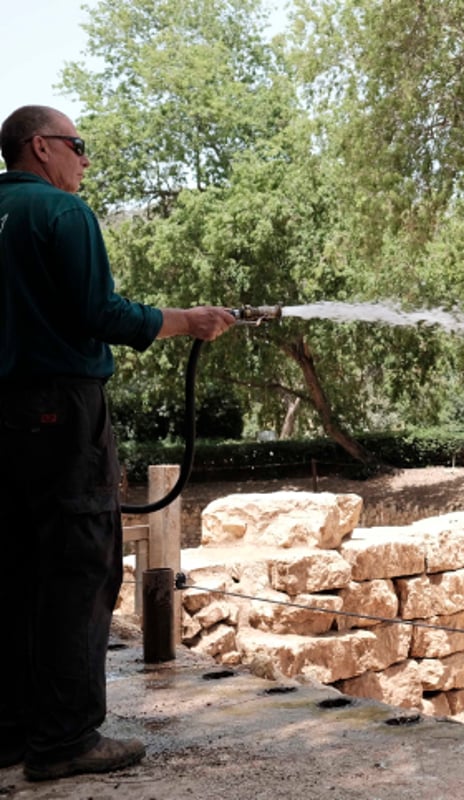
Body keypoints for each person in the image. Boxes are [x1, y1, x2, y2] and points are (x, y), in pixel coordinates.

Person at [0, 105, 236, 782]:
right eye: (79, 146)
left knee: (12, 567)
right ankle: (66, 740)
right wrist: (185, 320)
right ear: (41, 148)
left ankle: (11, 732)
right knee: (80, 566)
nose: (86, 160)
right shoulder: (61, 214)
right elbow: (96, 314)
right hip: (58, 409)